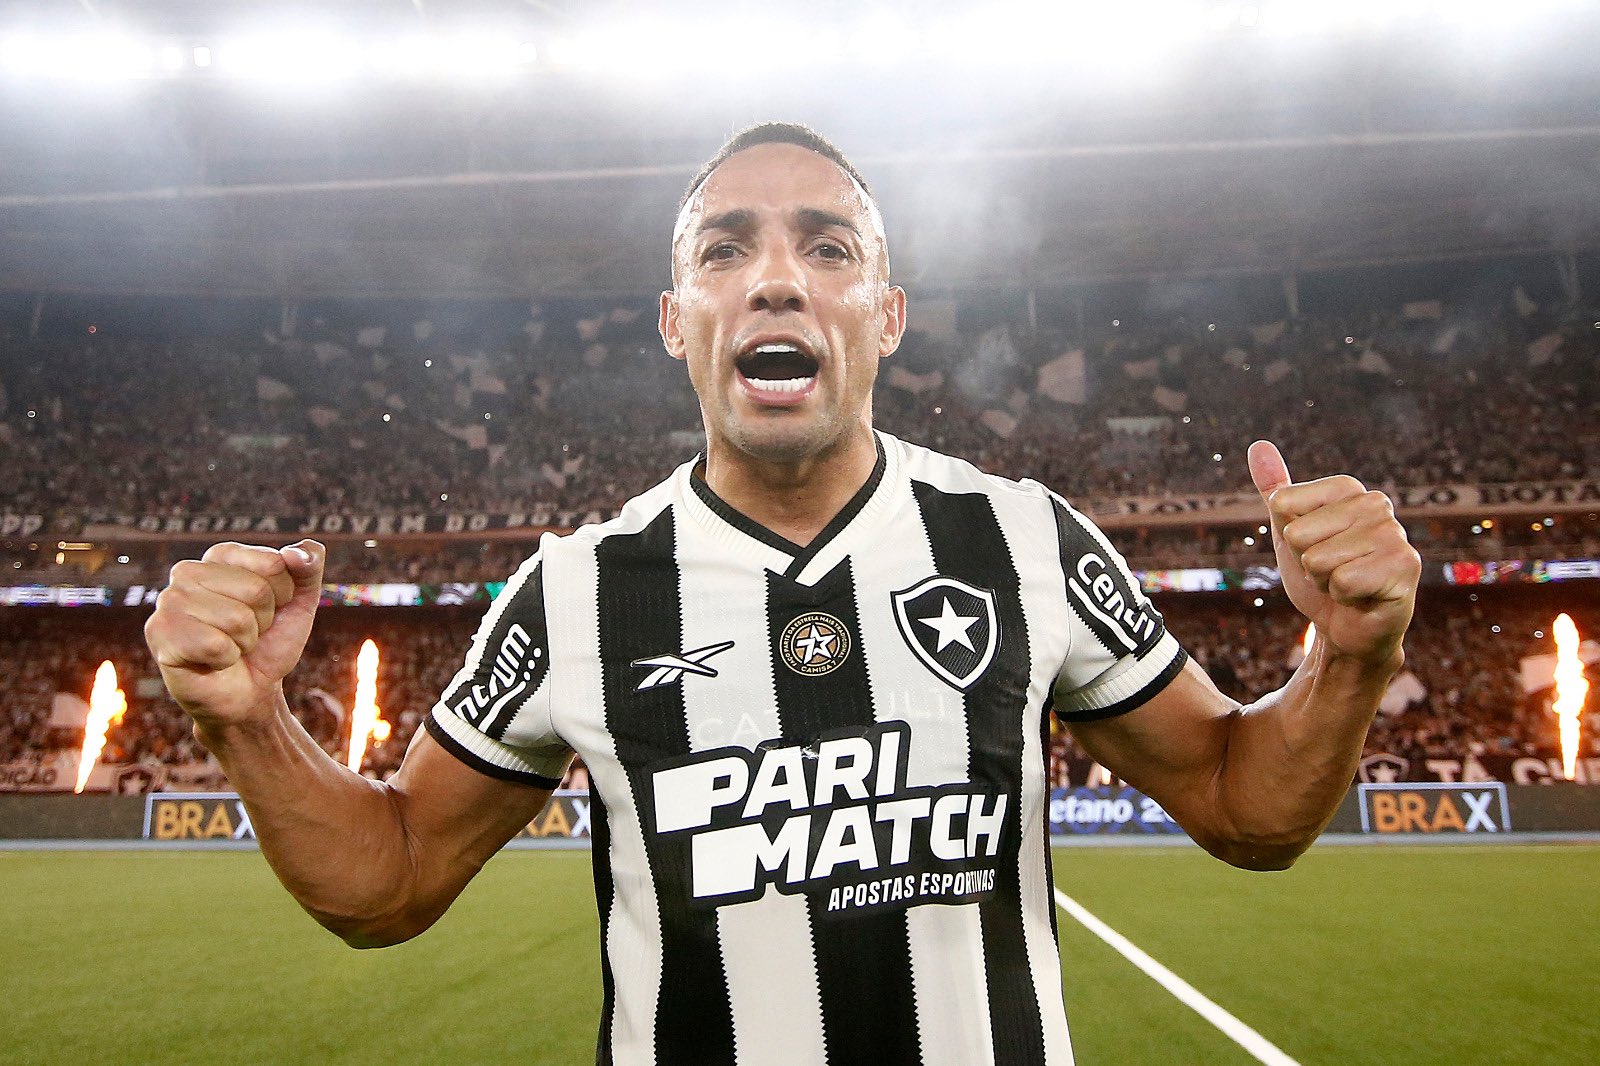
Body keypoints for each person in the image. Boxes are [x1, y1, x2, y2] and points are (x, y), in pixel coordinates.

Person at [144, 122, 1421, 1065]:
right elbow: (392, 879)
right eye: (724, 249)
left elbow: (1243, 806)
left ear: (886, 314)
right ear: (674, 321)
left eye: (827, 246)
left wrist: (1350, 655)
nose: (774, 278)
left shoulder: (1021, 539)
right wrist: (247, 719)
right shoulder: (578, 591)